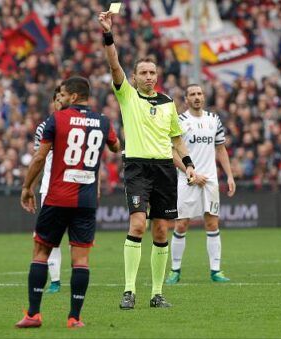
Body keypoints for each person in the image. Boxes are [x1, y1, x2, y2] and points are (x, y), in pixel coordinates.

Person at [98, 11, 196, 309]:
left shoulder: (167, 103)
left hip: (165, 168)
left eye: (152, 73)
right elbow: (115, 65)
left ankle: (156, 293)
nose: (149, 77)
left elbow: (176, 139)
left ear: (157, 76)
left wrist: (189, 164)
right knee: (138, 224)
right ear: (136, 76)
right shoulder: (127, 95)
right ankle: (129, 291)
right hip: (138, 166)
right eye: (143, 73)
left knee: (162, 229)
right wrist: (108, 35)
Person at [16, 76, 120, 328]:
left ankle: (33, 314)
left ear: (73, 96)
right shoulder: (103, 121)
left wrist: (26, 187)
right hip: (86, 200)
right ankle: (74, 317)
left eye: (62, 94)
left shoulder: (56, 119)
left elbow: (40, 158)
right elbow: (116, 147)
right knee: (81, 259)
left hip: (57, 196)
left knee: (41, 252)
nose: (59, 98)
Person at [165, 84, 236, 285]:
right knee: (181, 224)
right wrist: (191, 173)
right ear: (186, 99)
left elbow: (221, 149)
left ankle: (216, 270)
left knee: (212, 222)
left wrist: (229, 176)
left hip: (211, 181)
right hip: (187, 180)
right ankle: (175, 270)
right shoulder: (180, 121)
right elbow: (172, 152)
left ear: (204, 97)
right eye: (192, 94)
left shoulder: (214, 120)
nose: (196, 97)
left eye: (199, 94)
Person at [32, 86, 63, 294]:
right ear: (54, 101)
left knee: (77, 239)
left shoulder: (81, 124)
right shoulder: (44, 127)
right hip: (50, 187)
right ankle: (55, 280)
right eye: (58, 98)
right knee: (50, 235)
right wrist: (31, 186)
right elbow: (39, 159)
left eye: (64, 97)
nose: (61, 101)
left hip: (76, 186)